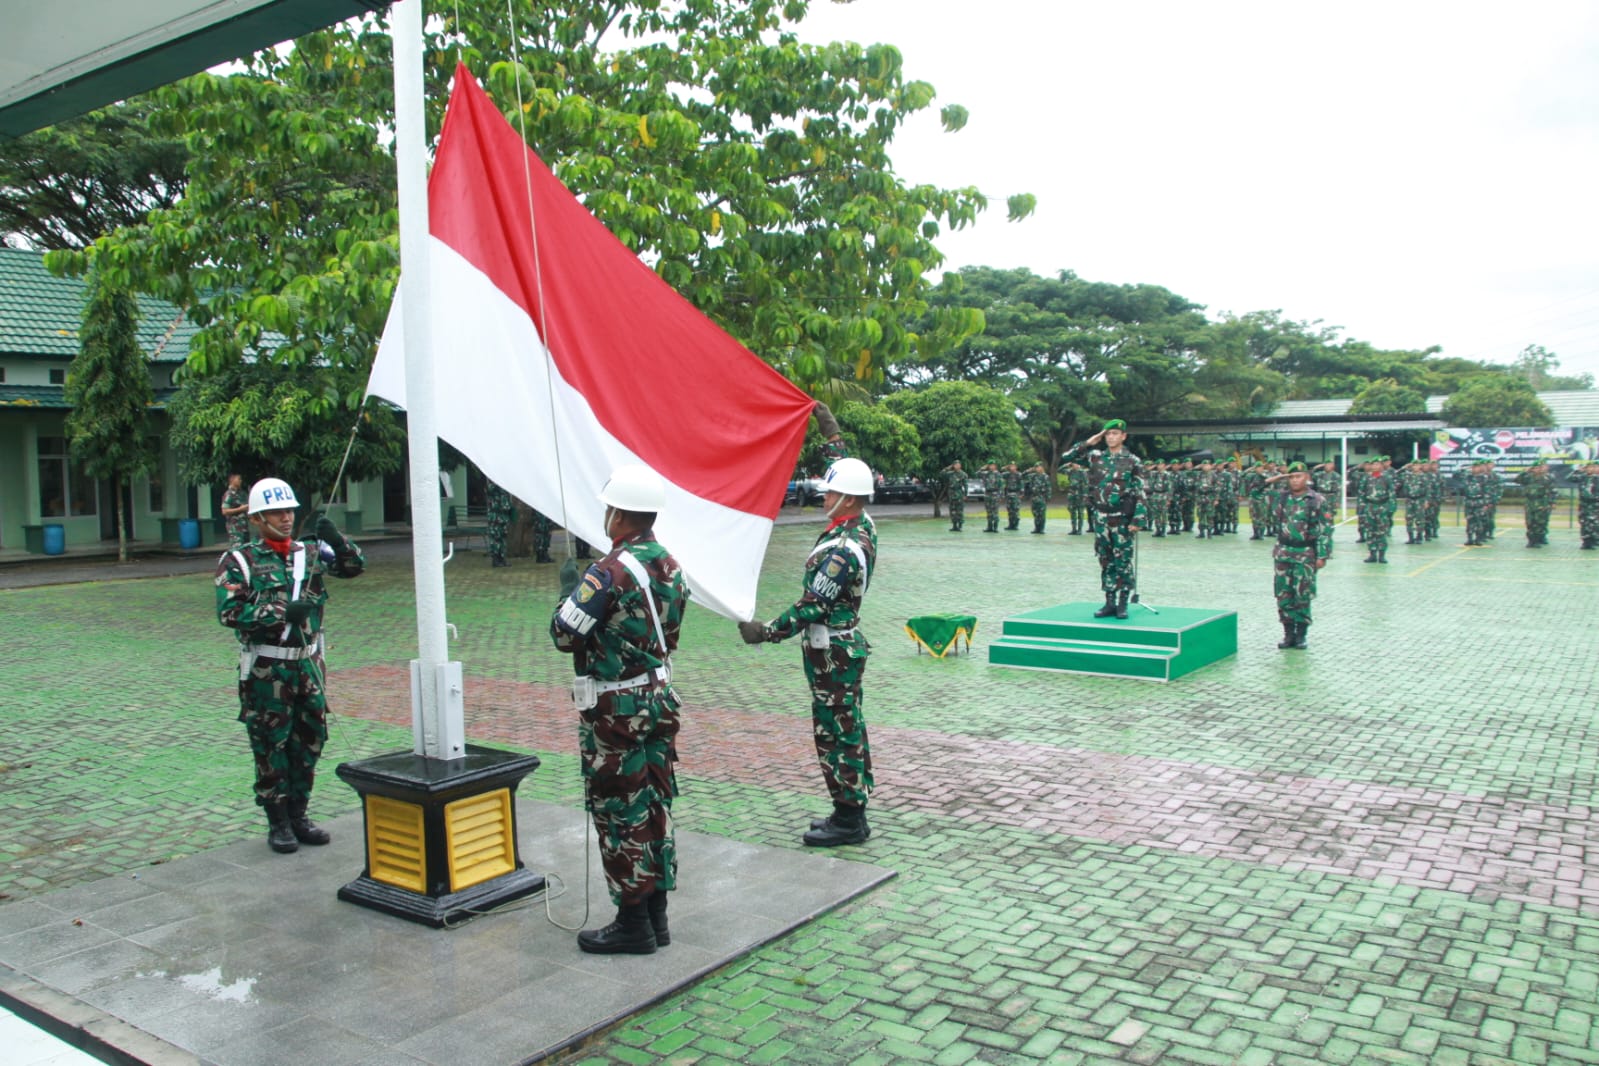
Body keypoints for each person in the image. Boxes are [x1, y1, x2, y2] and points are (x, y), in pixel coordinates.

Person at [550, 465, 688, 955]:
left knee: (618, 808)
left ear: (617, 514)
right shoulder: (670, 564)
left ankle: (632, 922)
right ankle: (656, 915)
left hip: (617, 707)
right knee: (654, 805)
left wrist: (568, 597)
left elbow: (565, 636)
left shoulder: (607, 572)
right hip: (658, 696)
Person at [215, 477, 364, 853]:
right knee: (271, 745)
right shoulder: (239, 561)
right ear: (257, 518)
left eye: (289, 511)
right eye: (276, 512)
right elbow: (229, 612)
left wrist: (336, 539)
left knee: (310, 740)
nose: (285, 518)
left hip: (307, 666)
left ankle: (299, 813)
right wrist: (280, 612)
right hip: (268, 669)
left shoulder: (309, 553)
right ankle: (277, 820)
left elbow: (352, 567)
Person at [738, 456, 877, 847]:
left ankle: (850, 819)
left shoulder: (843, 551)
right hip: (839, 646)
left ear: (849, 499)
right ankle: (848, 809)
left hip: (832, 652)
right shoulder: (861, 526)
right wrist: (837, 445)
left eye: (831, 492)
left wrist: (766, 632)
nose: (825, 497)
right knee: (846, 726)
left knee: (836, 733)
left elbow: (812, 606)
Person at [1060, 420, 1147, 618]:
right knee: (1105, 559)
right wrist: (1089, 442)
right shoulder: (1095, 457)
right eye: (1108, 434)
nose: (1111, 437)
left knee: (1123, 560)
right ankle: (1109, 601)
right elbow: (1067, 457)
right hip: (1100, 517)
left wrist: (1138, 520)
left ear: (1123, 436)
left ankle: (1123, 602)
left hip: (1121, 517)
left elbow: (1141, 491)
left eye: (1115, 433)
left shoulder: (1133, 461)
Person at [1264, 462, 1331, 650]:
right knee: (1283, 594)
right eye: (1291, 477)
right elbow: (1253, 492)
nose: (1295, 480)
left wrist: (1323, 555)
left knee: (1303, 594)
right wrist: (1274, 478)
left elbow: (1324, 529)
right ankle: (1288, 634)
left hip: (1305, 553)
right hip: (1284, 552)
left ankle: (1301, 634)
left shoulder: (1316, 500)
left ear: (1307, 477)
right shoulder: (1281, 498)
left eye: (1299, 476)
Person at [1358, 455, 1397, 563]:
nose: (1375, 466)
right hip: (1370, 506)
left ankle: (1382, 555)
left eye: (1377, 464)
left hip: (1382, 506)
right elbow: (1361, 493)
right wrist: (1361, 506)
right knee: (1370, 531)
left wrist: (1391, 507)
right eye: (1373, 464)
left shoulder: (1386, 477)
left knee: (1381, 531)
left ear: (1381, 465)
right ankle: (1372, 554)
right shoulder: (1366, 477)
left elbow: (1392, 493)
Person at [1516, 459, 1555, 547]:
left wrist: (1552, 502)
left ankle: (1538, 539)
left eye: (1541, 467)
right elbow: (1517, 480)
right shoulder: (1528, 477)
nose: (1539, 469)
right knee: (1530, 522)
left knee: (1540, 522)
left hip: (1542, 502)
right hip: (1530, 502)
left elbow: (1552, 491)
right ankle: (1531, 540)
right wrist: (1524, 472)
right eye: (1536, 468)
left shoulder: (1548, 478)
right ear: (1533, 469)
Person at [1462, 458, 1496, 545]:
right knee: (1469, 521)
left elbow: (1487, 491)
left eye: (1477, 467)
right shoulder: (1468, 477)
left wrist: (1486, 504)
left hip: (1479, 502)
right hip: (1469, 502)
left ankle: (1478, 538)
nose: (1475, 469)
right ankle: (1469, 538)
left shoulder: (1485, 478)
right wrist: (1467, 468)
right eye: (1474, 467)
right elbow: (1457, 475)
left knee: (1479, 521)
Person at [486, 480, 514, 567]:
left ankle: (502, 559)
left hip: (503, 516)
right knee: (495, 538)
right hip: (495, 516)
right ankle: (496, 559)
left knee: (502, 538)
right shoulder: (493, 484)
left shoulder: (504, 485)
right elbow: (490, 491)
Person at [220, 472, 250, 548]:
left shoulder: (241, 493)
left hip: (244, 528)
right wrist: (240, 509)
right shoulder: (229, 494)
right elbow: (224, 511)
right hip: (235, 529)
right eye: (239, 479)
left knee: (246, 550)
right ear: (232, 479)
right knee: (237, 550)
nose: (241, 481)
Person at [1575, 459, 1599, 549]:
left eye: (1595, 467)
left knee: (1595, 524)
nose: (1592, 469)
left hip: (1596, 505)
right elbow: (1570, 478)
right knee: (1585, 523)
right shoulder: (1583, 477)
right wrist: (1579, 470)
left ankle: (1594, 540)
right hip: (1585, 505)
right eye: (1590, 467)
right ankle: (1587, 542)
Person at [940, 460, 968, 532]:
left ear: (960, 465)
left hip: (959, 493)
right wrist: (947, 468)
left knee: (959, 510)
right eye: (955, 465)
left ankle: (960, 526)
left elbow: (966, 485)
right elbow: (942, 474)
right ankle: (954, 526)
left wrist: (965, 494)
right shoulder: (950, 473)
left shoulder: (963, 474)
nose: (957, 466)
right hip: (951, 493)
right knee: (952, 510)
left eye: (958, 464)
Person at [1025, 462, 1050, 533]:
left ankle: (1041, 529)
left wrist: (1047, 497)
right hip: (1034, 497)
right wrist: (1028, 471)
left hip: (1042, 496)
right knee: (1035, 513)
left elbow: (1048, 487)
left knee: (1041, 514)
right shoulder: (1033, 476)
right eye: (1036, 467)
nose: (1037, 468)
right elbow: (1022, 476)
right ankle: (1036, 528)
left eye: (1039, 467)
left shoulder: (1045, 476)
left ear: (1042, 467)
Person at [980, 461, 1002, 533]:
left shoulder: (998, 474)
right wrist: (982, 468)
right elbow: (977, 474)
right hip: (987, 494)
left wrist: (1000, 495)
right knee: (989, 511)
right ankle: (989, 527)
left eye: (993, 465)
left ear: (995, 466)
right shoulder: (986, 474)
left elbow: (1001, 486)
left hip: (995, 494)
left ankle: (995, 527)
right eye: (990, 465)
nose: (991, 467)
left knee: (995, 511)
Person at [1001, 461, 1023, 531]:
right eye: (1011, 466)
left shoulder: (1019, 474)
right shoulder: (1007, 474)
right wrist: (1005, 468)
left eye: (1013, 466)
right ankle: (1010, 525)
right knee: (1010, 510)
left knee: (1015, 510)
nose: (1012, 467)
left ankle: (1015, 525)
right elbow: (1000, 474)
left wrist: (1021, 493)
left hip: (1016, 493)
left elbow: (1021, 484)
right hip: (1009, 494)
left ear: (1016, 467)